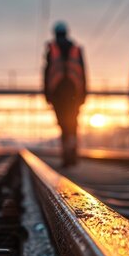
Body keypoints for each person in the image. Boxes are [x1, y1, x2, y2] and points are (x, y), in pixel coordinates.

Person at [44, 21, 87, 167]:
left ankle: (66, 156)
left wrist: (47, 95)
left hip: (58, 94)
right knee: (73, 124)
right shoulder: (76, 49)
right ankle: (73, 155)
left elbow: (46, 72)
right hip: (74, 93)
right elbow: (84, 72)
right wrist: (84, 94)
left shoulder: (52, 49)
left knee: (63, 124)